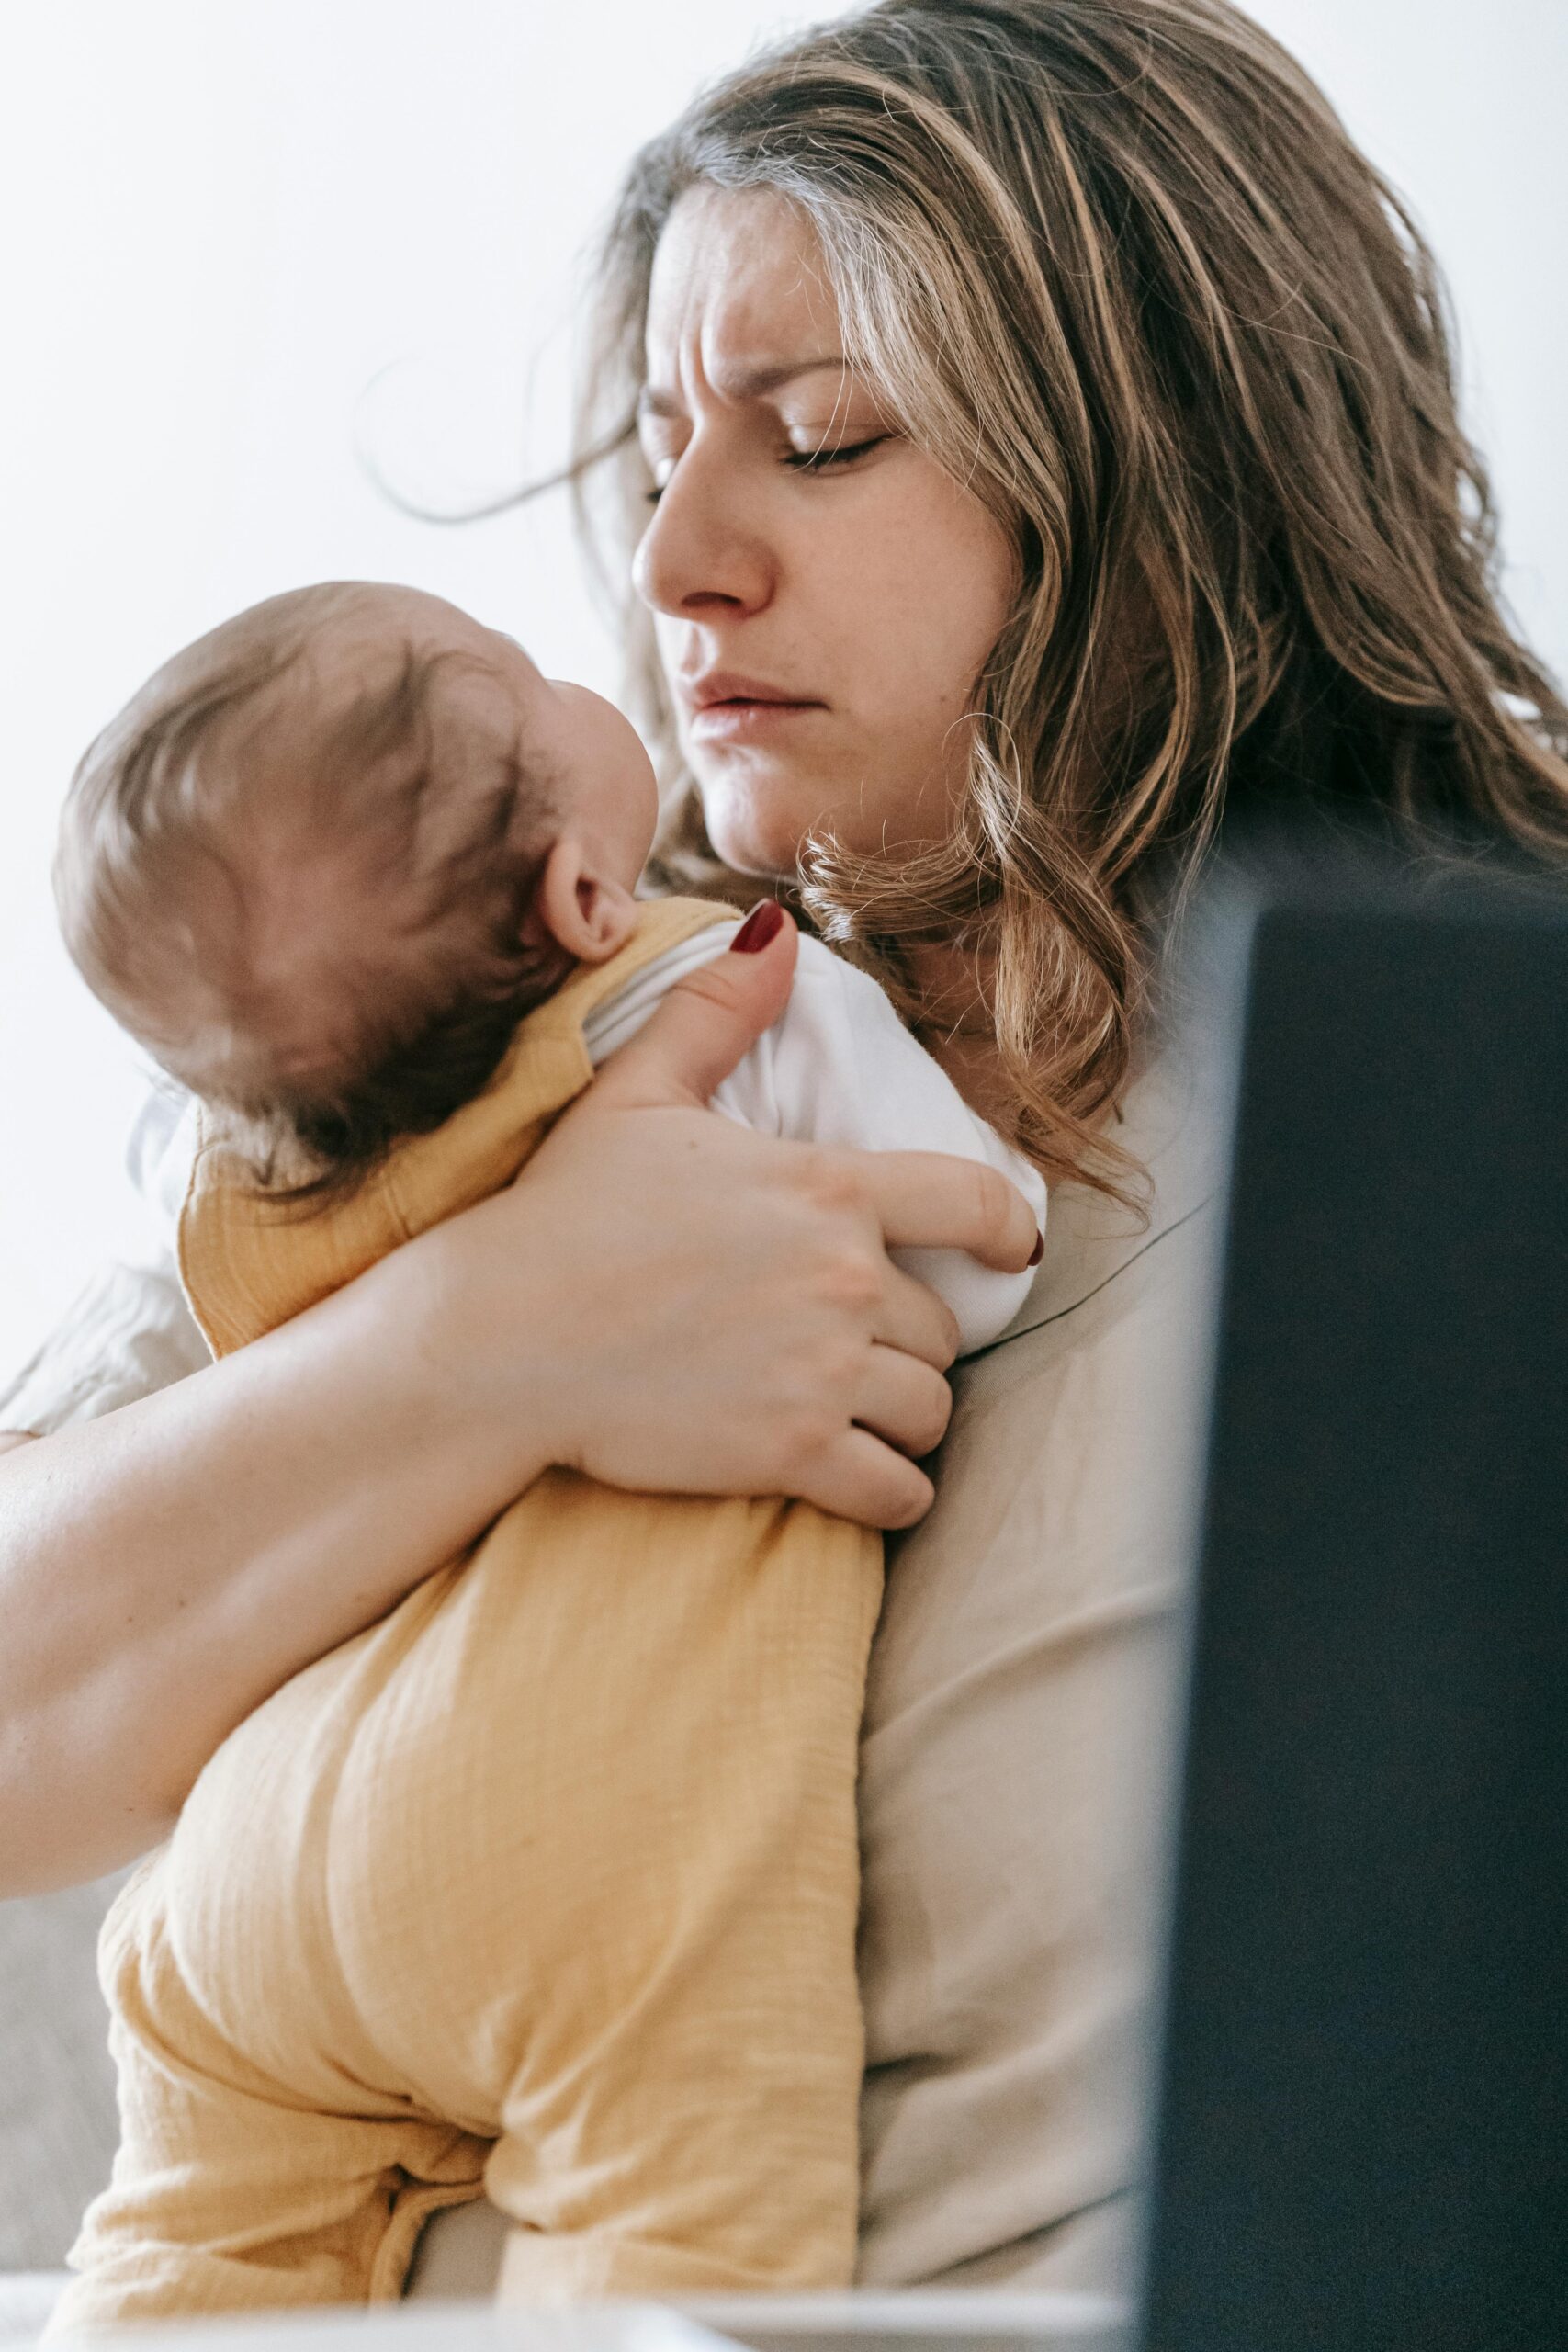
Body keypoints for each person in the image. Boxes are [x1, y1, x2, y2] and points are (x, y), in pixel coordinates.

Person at [5, 0, 1565, 2305]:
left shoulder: (1440, 1130)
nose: (675, 563)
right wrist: (492, 1341)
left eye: (820, 438)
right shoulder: (530, 1031)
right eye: (659, 453)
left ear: (1159, 467)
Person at [39, 576, 1042, 2331]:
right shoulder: (728, 998)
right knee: (676, 2223)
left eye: (820, 439)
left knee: (189, 2255)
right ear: (586, 893)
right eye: (522, 678)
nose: (657, 586)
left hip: (240, 1895)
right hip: (559, 1842)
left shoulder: (227, 1176)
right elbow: (965, 1257)